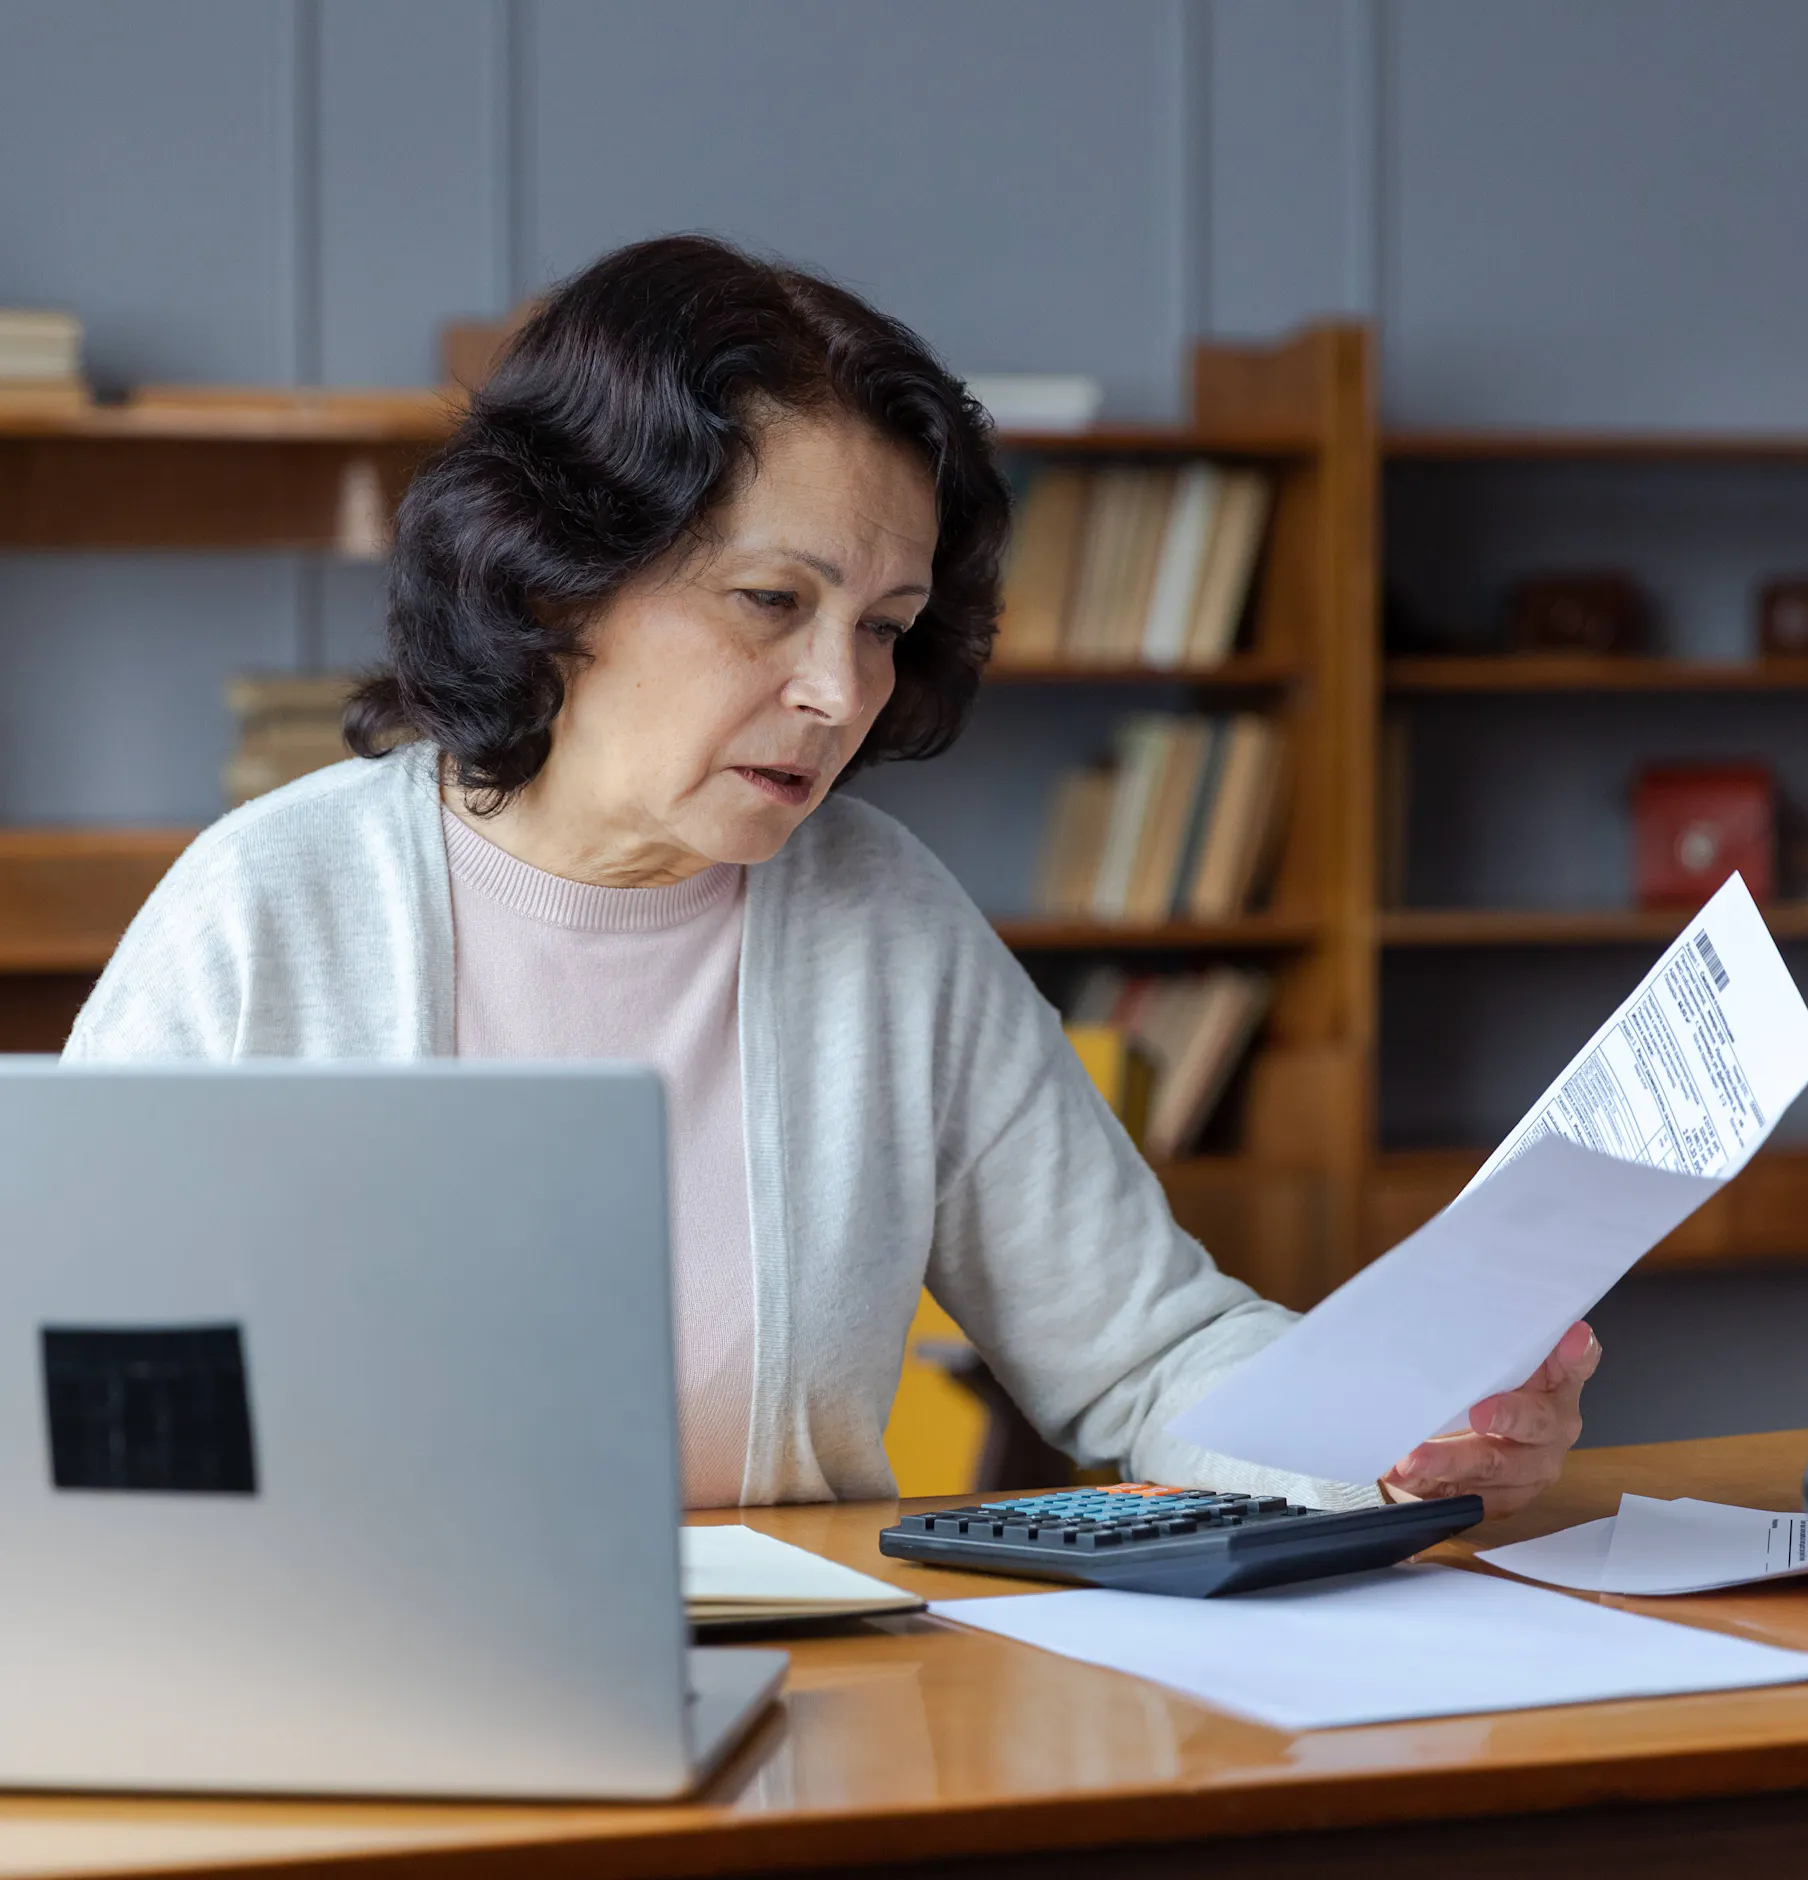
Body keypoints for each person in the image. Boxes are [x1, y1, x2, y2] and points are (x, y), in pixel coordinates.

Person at [66, 235, 1598, 1512]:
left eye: (880, 624)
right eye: (769, 601)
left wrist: (1396, 1437)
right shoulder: (266, 910)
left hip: (811, 1707)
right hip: (365, 1708)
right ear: (554, 580)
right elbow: (74, 1409)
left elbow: (1143, 1355)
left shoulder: (883, 915)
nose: (838, 691)